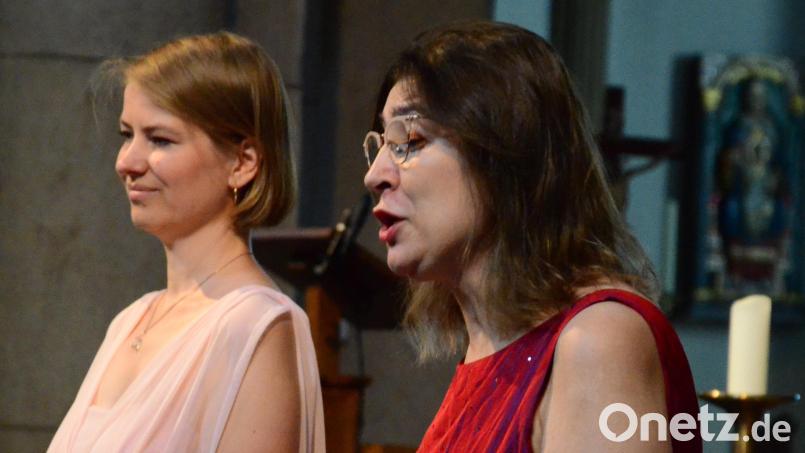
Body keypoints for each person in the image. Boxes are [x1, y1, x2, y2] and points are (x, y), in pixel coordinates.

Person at [362, 21, 701, 452]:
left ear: (506, 156)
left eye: (409, 140)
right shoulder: (490, 348)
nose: (375, 175)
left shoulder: (597, 340)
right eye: (380, 146)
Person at [49, 32, 324, 452]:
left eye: (160, 139)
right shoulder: (130, 321)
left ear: (242, 162)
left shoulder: (254, 327)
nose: (127, 163)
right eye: (128, 135)